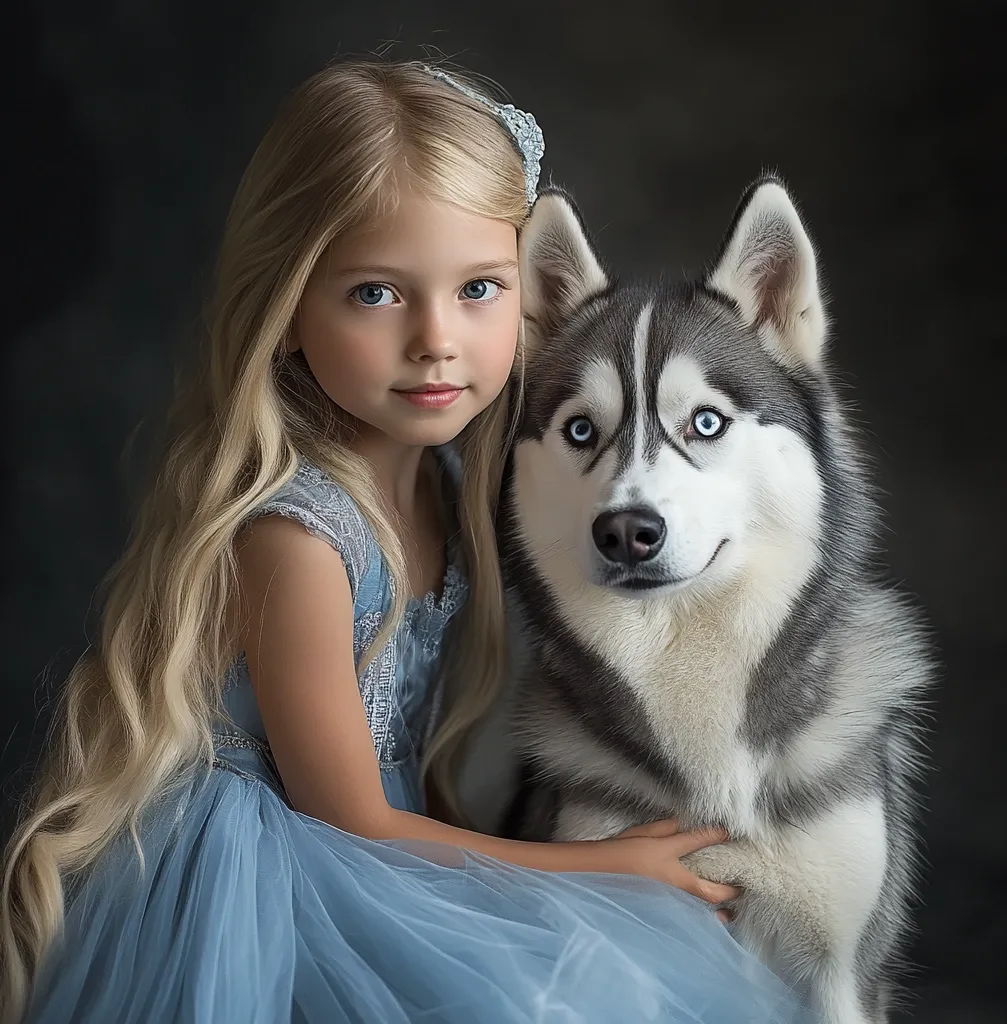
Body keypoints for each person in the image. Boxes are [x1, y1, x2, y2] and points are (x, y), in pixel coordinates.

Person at [0, 59, 811, 1023]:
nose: (436, 339)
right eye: (377, 295)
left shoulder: (455, 484)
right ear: (289, 311)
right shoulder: (294, 541)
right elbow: (350, 820)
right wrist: (594, 867)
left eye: (478, 288)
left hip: (380, 858)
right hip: (275, 884)